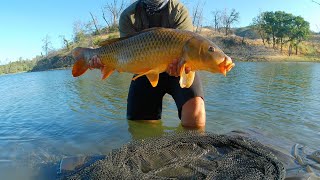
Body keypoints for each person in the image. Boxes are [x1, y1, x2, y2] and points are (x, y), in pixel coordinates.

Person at [89, 0, 206, 128]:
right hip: (144, 72)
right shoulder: (128, 16)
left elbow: (189, 49)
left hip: (179, 70)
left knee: (196, 115)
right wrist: (105, 61)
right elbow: (124, 53)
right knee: (140, 126)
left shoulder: (178, 11)